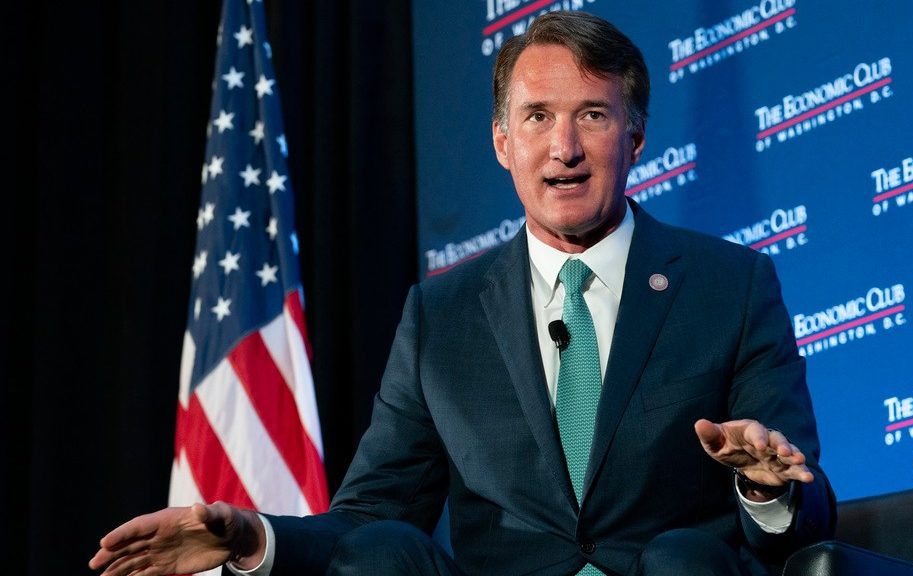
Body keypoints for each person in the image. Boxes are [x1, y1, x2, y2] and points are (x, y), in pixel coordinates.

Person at [90, 11, 835, 576]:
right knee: (385, 550)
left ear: (636, 138)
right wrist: (250, 535)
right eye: (538, 117)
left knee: (683, 559)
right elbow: (372, 512)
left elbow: (807, 510)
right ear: (502, 141)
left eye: (593, 116)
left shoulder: (730, 285)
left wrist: (768, 492)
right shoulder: (440, 316)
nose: (563, 146)